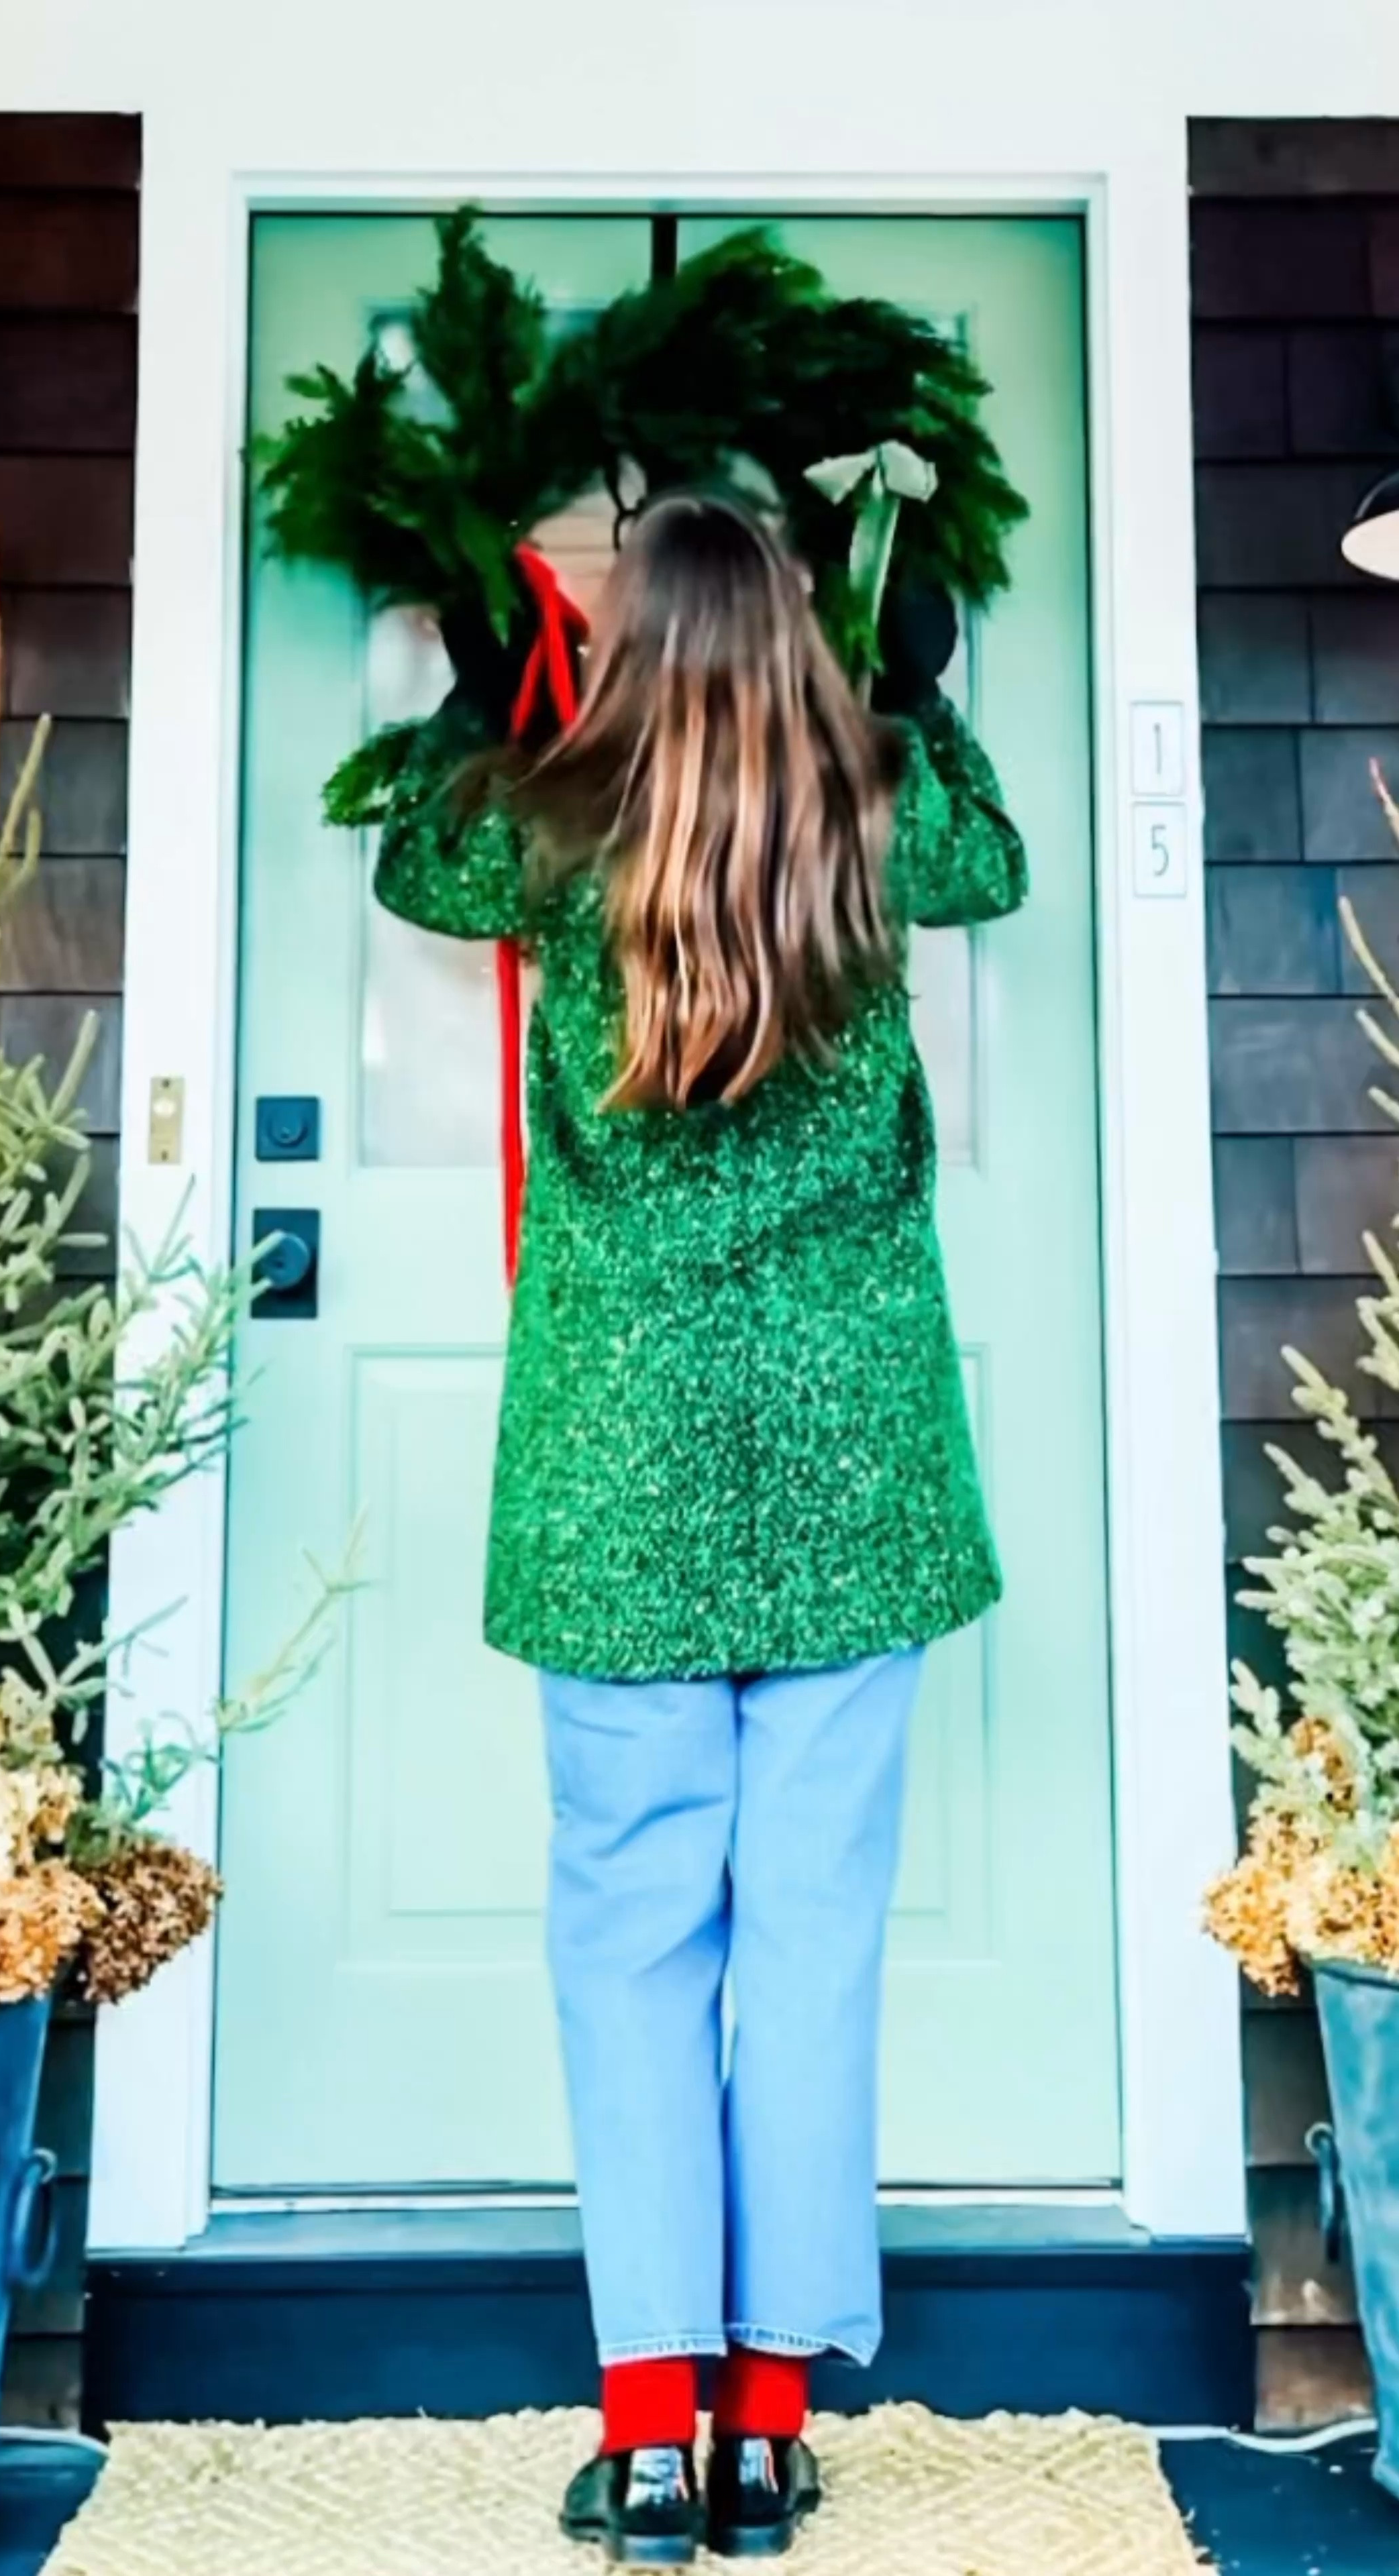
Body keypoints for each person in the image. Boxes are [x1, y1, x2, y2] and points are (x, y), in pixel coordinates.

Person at [374, 492, 1027, 2564]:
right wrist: (914, 679)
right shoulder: (878, 805)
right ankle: (767, 2431)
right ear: (809, 639)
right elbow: (995, 862)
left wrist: (498, 670)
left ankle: (647, 2436)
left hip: (623, 1467)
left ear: (632, 642)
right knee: (812, 1942)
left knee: (634, 1940)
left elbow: (415, 856)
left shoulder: (558, 822)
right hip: (856, 1468)